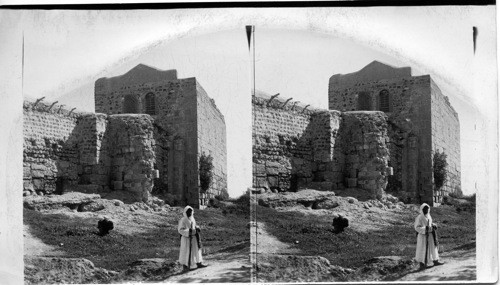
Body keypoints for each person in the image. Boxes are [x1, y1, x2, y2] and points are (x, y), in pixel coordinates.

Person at [414, 203, 444, 270]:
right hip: (423, 236)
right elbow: (417, 228)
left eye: (427, 209)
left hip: (430, 235)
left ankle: (435, 260)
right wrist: (425, 229)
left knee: (432, 248)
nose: (426, 210)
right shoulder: (419, 217)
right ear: (422, 209)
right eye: (425, 209)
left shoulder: (429, 216)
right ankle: (422, 264)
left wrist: (433, 225)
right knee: (423, 249)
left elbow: (430, 224)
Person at [178, 205, 207, 271]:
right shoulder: (183, 220)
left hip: (193, 238)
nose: (190, 213)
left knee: (196, 250)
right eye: (188, 212)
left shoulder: (192, 219)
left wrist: (197, 228)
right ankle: (185, 266)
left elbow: (194, 226)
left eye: (191, 212)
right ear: (185, 212)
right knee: (186, 252)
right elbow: (180, 230)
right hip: (186, 239)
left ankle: (198, 263)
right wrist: (188, 231)